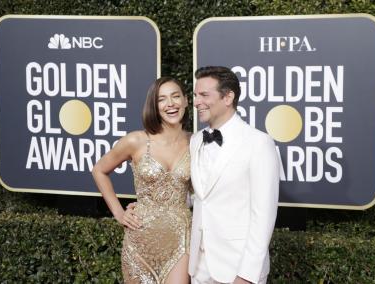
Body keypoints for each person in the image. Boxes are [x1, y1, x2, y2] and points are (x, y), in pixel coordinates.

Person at [92, 76, 192, 284]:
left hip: (181, 239)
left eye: (175, 96)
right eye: (162, 99)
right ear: (154, 106)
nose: (170, 104)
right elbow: (99, 170)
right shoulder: (136, 140)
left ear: (186, 101)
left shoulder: (197, 142)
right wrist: (119, 213)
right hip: (140, 238)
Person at [189, 66, 279, 284]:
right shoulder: (196, 140)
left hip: (236, 268)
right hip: (198, 267)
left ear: (228, 97)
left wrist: (247, 275)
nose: (196, 102)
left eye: (204, 95)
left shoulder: (258, 143)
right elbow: (199, 196)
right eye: (195, 95)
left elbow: (263, 216)